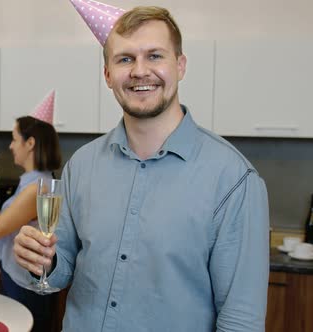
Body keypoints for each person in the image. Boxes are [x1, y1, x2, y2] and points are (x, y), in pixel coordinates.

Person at [14, 3, 270, 331]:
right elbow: (59, 273)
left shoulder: (234, 180)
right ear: (107, 74)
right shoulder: (81, 166)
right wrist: (40, 261)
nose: (139, 71)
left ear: (180, 65)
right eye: (125, 59)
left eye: (154, 55)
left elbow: (241, 323)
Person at [0, 90, 62, 332]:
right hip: (15, 274)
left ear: (30, 143)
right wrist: (4, 260)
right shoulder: (30, 181)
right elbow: (14, 229)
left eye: (15, 139)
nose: (11, 146)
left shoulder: (36, 188)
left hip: (27, 286)